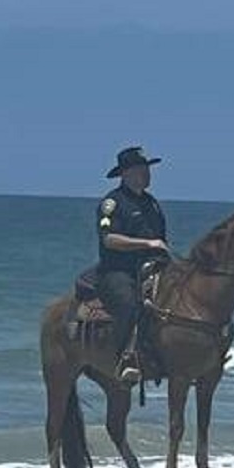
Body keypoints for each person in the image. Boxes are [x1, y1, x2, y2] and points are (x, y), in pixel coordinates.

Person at [96, 145, 170, 381]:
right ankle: (124, 359)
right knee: (129, 304)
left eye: (147, 169)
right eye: (141, 170)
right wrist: (147, 245)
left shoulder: (152, 203)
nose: (147, 174)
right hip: (120, 269)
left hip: (155, 266)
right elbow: (109, 240)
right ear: (125, 173)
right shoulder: (112, 203)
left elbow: (162, 240)